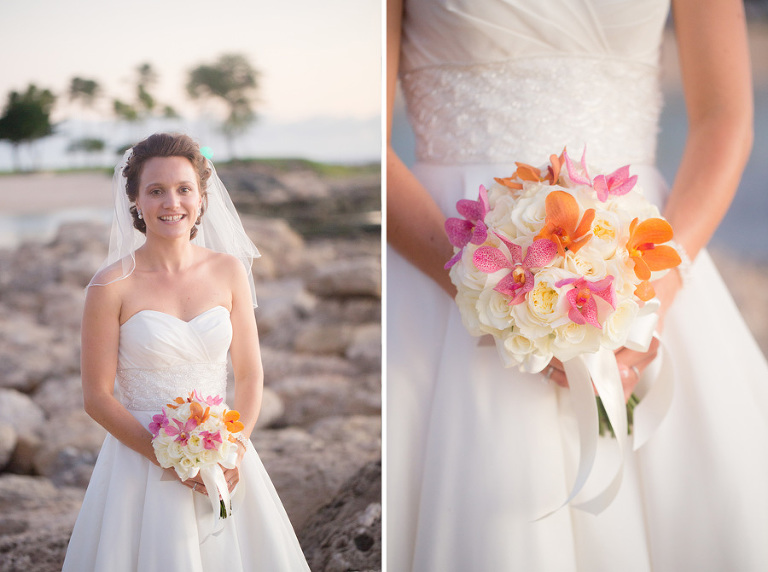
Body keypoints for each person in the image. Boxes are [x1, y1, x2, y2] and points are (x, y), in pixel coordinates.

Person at [387, 0, 768, 570]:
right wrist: (492, 292)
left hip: (642, 251)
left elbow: (724, 117)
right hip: (449, 244)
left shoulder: (651, 287)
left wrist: (651, 301)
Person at [63, 133, 310, 571]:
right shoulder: (109, 285)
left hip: (223, 450)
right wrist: (169, 457)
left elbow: (250, 374)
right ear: (135, 201)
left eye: (183, 189)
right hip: (140, 463)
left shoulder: (229, 270)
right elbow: (96, 397)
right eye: (155, 190)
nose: (170, 202)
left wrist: (235, 448)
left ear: (201, 197)